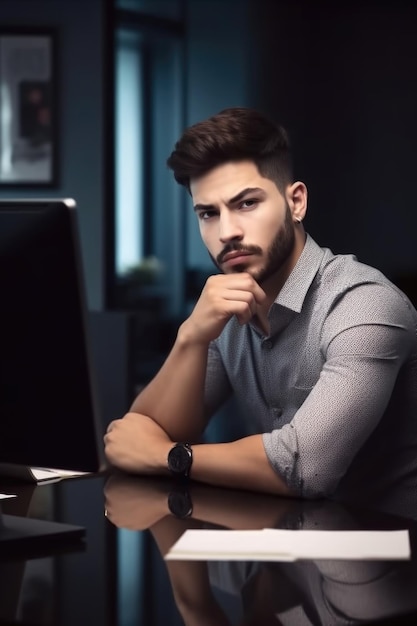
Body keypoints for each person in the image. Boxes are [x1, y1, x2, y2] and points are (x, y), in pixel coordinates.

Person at [104, 107, 417, 517]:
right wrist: (192, 336)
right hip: (285, 552)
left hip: (384, 559)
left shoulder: (365, 303)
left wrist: (171, 457)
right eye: (208, 213)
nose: (227, 231)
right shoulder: (224, 310)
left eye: (246, 203)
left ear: (296, 202)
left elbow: (306, 467)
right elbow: (141, 437)